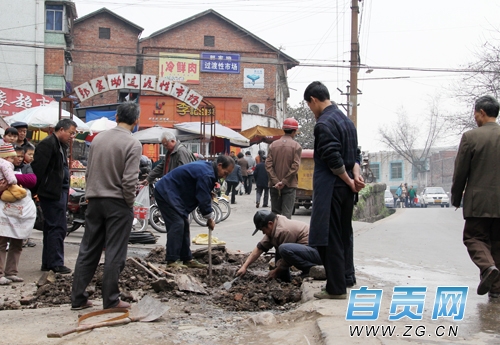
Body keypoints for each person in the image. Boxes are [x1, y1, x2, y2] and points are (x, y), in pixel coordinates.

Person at [71, 102, 142, 310]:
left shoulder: (99, 138)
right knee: (114, 252)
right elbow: (129, 181)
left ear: (117, 116)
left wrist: (91, 195)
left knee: (88, 250)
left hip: (94, 200)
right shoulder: (133, 144)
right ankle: (111, 300)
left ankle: (78, 298)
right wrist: (129, 204)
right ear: (136, 121)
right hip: (117, 203)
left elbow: (88, 171)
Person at [304, 81, 364, 299]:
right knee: (344, 233)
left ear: (313, 100)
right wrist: (355, 175)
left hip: (332, 187)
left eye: (310, 106)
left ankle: (336, 288)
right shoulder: (347, 121)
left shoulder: (324, 124)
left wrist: (348, 180)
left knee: (328, 237)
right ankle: (347, 277)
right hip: (347, 189)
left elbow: (333, 158)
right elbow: (355, 154)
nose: (311, 111)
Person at [451, 95, 500, 298]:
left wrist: (455, 197)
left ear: (481, 112)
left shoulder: (471, 137)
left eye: (475, 114)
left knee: (474, 238)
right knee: (497, 243)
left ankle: (488, 268)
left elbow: (461, 171)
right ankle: (496, 290)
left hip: (479, 202)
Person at [154, 155, 234, 268]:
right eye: (225, 173)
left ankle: (186, 258)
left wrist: (207, 191)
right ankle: (172, 260)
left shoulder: (208, 169)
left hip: (173, 192)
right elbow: (202, 198)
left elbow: (198, 187)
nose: (224, 176)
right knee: (177, 224)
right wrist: (209, 218)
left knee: (184, 223)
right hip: (166, 191)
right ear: (220, 165)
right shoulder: (207, 173)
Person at [32, 118, 77, 274]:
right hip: (52, 193)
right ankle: (56, 263)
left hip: (60, 191)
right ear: (61, 130)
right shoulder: (48, 144)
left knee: (53, 227)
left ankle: (48, 262)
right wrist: (37, 191)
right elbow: (38, 169)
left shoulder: (61, 146)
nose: (72, 136)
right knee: (57, 227)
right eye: (71, 133)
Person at [236, 210, 322, 281]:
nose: (263, 233)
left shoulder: (284, 230)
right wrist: (244, 267)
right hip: (306, 251)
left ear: (270, 224)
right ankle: (284, 279)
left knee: (283, 249)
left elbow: (286, 259)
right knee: (280, 249)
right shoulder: (275, 226)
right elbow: (260, 248)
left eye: (263, 229)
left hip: (317, 253)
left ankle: (309, 269)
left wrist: (275, 272)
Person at [0, 145, 37, 285]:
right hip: (4, 211)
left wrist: (12, 178)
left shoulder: (26, 167)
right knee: (2, 242)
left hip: (20, 212)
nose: (18, 159)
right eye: (16, 156)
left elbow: (32, 180)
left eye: (21, 156)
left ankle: (12, 272)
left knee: (17, 241)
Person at [265, 118, 302, 219]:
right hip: (289, 186)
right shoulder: (296, 146)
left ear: (283, 129)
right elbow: (295, 166)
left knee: (275, 214)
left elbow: (268, 165)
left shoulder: (273, 145)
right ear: (294, 131)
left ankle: (275, 234)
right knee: (286, 215)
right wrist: (284, 181)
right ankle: (284, 234)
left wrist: (276, 181)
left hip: (274, 185)